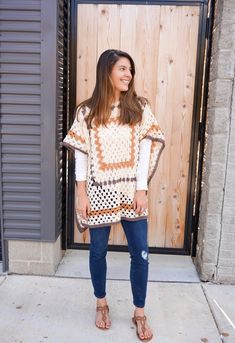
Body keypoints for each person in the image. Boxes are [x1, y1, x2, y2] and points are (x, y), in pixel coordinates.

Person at [63, 49, 165, 342]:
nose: (128, 75)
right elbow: (82, 155)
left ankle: (139, 312)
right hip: (98, 191)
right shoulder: (86, 112)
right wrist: (81, 194)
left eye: (130, 70)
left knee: (141, 254)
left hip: (131, 191)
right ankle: (101, 303)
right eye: (122, 69)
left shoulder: (139, 108)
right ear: (106, 70)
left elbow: (145, 150)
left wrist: (141, 189)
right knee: (97, 251)